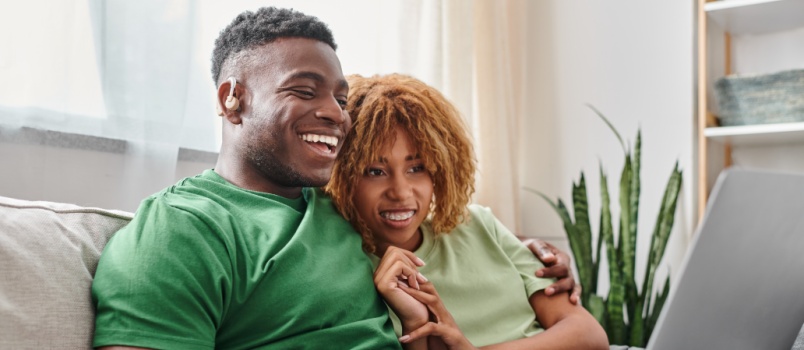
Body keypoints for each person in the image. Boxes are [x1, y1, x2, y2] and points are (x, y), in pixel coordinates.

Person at [91, 7, 577, 349]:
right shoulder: (180, 229)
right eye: (305, 91)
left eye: (341, 100)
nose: (334, 114)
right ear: (231, 99)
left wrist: (535, 253)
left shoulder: (347, 210)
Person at [326, 73, 608, 349]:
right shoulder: (350, 278)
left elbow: (588, 334)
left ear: (440, 169)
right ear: (343, 175)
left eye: (417, 168)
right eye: (375, 171)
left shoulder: (480, 224)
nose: (400, 192)